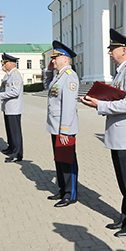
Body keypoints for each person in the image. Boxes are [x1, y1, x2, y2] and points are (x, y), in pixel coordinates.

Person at [80, 29, 126, 238]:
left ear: (124, 50)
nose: (109, 52)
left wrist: (100, 104)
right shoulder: (121, 72)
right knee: (122, 179)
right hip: (119, 134)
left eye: (112, 49)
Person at [45, 41, 79, 207]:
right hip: (55, 125)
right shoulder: (58, 76)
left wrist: (64, 130)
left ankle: (70, 193)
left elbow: (69, 105)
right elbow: (47, 88)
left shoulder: (70, 76)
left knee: (67, 160)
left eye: (55, 57)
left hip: (64, 127)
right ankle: (62, 189)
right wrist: (48, 71)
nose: (53, 61)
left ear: (65, 59)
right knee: (59, 159)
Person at [0, 53, 24, 162]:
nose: (3, 65)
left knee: (15, 132)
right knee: (10, 130)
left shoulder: (16, 74)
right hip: (8, 107)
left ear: (10, 63)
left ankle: (17, 154)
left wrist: (0, 95)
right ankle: (11, 147)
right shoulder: (9, 75)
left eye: (4, 63)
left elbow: (15, 92)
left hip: (14, 108)